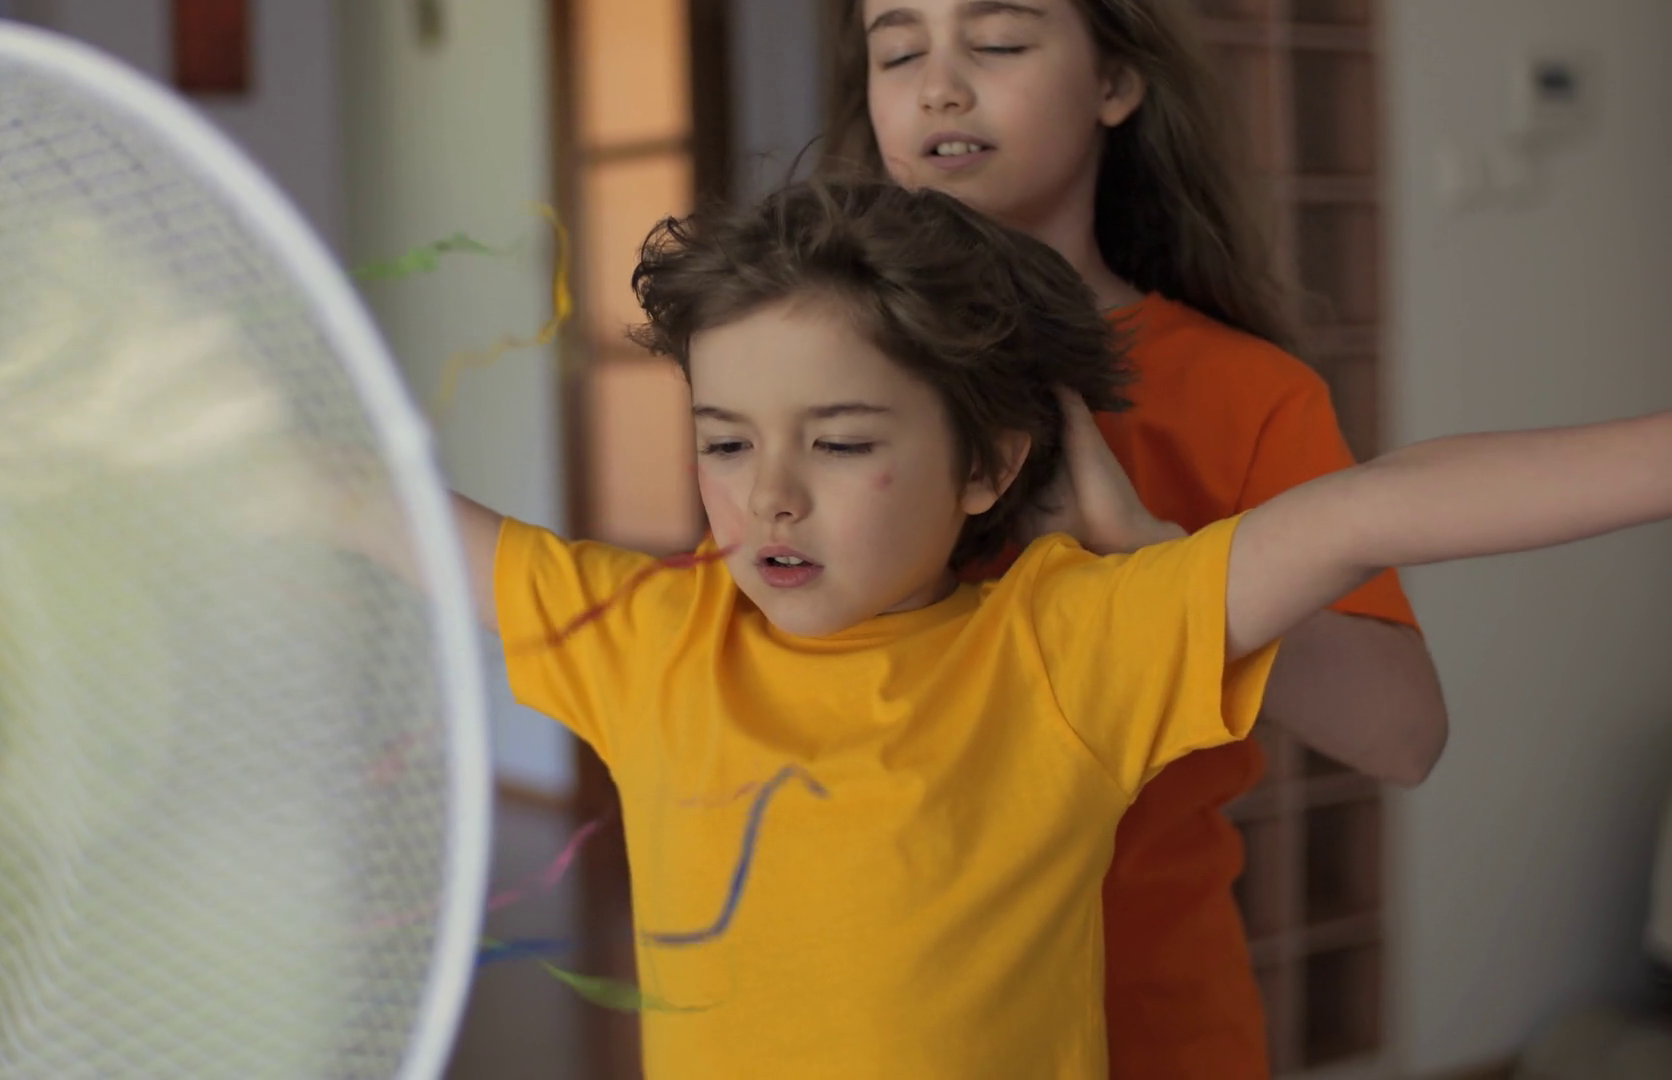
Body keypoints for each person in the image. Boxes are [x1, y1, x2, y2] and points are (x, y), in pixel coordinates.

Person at [442, 178, 1671, 1079]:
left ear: (987, 467)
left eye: (841, 442)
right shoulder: (648, 638)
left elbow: (1363, 514)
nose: (770, 496)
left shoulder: (1062, 649)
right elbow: (384, 508)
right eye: (724, 443)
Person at [820, 2, 1447, 1072]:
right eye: (898, 50)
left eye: (998, 42)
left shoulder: (1245, 391)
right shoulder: (810, 366)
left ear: (1114, 83)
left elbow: (1404, 734)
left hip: (1152, 1022)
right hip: (869, 1015)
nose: (938, 86)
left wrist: (1162, 565)